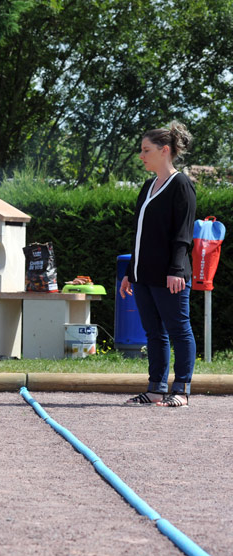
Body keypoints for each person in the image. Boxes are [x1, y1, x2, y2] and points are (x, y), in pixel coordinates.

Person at [120, 121, 196, 407]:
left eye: (146, 150)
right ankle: (155, 390)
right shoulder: (147, 186)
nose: (141, 155)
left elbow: (183, 234)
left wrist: (176, 270)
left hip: (170, 276)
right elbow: (139, 234)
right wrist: (130, 272)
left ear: (165, 150)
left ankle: (182, 390)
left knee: (179, 331)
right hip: (143, 275)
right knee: (154, 333)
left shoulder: (182, 185)